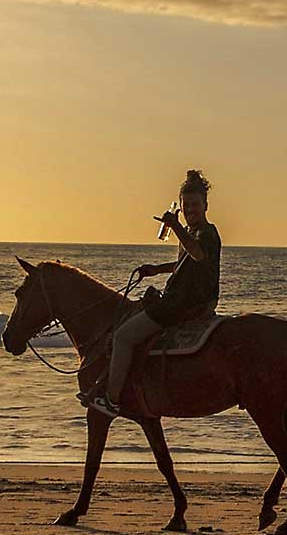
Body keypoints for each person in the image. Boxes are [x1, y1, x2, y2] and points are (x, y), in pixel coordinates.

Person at [80, 170, 222, 418]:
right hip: (182, 299)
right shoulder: (192, 234)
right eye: (186, 205)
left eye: (195, 205)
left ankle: (112, 399)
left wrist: (176, 226)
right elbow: (186, 263)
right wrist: (157, 269)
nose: (190, 210)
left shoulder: (206, 233)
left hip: (182, 304)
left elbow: (198, 254)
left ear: (205, 205)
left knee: (123, 337)